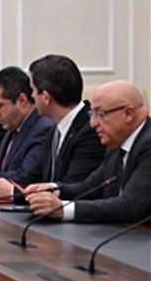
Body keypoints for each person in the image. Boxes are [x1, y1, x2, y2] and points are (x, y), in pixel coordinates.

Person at [24, 81, 150, 223]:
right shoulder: (116, 144)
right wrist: (54, 189)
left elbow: (130, 206)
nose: (92, 123)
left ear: (128, 114)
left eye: (100, 114)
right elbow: (90, 187)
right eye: (92, 113)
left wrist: (63, 209)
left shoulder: (147, 144)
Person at [0, 55, 104, 200]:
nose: (32, 96)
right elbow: (32, 176)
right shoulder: (55, 130)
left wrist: (13, 192)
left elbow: (74, 187)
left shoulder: (90, 130)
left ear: (46, 97)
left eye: (33, 90)